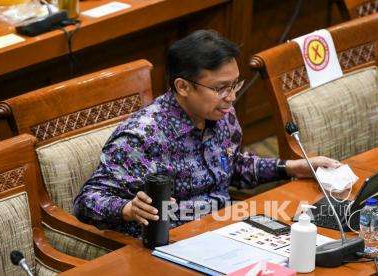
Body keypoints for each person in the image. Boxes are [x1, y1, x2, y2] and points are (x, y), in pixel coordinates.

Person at [73, 30, 341, 237]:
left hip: (226, 227)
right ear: (183, 86)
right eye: (221, 88)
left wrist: (293, 167)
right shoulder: (142, 137)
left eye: (235, 84)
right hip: (173, 241)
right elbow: (86, 202)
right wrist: (127, 209)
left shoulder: (220, 114)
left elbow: (230, 166)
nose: (232, 97)